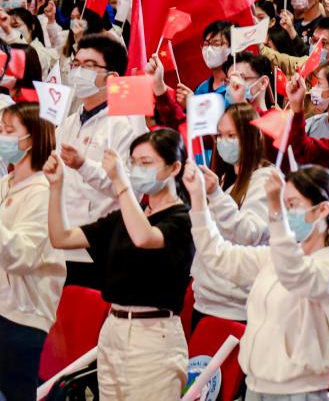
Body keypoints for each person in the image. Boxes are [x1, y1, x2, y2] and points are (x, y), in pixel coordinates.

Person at [184, 163, 329, 400]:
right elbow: (218, 256)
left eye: (292, 205)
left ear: (322, 209)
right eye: (283, 204)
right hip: (256, 384)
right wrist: (199, 199)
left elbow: (295, 274)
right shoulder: (275, 256)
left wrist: (276, 212)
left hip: (299, 392)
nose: (286, 213)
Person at [45, 128, 194, 400]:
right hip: (113, 329)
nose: (137, 170)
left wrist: (120, 182)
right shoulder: (124, 216)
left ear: (174, 168)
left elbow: (143, 237)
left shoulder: (182, 219)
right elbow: (61, 237)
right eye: (133, 163)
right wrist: (57, 187)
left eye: (146, 163)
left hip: (153, 337)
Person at [56, 33, 148, 287]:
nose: (78, 73)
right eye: (76, 64)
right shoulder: (68, 122)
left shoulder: (126, 124)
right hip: (62, 241)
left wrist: (84, 166)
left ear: (112, 77)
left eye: (88, 66)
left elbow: (132, 189)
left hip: (99, 246)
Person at [189, 103, 277, 329]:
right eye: (219, 136)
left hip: (236, 308)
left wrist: (215, 195)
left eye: (231, 136)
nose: (222, 142)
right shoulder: (226, 178)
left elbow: (249, 233)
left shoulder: (266, 179)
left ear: (251, 137)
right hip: (206, 300)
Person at [0, 103, 65, 401]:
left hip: (22, 318)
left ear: (33, 139)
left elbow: (21, 255)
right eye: (1, 129)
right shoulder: (6, 184)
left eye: (9, 131)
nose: (2, 136)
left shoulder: (43, 192)